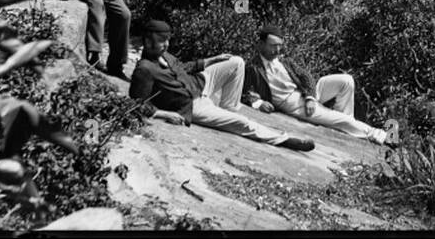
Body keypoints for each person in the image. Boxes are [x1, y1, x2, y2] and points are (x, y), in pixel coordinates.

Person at [129, 20, 314, 152]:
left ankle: (230, 108)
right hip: (191, 105)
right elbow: (137, 104)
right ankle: (283, 139)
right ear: (147, 41)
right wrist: (165, 114)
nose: (166, 44)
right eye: (161, 40)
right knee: (242, 123)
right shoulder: (144, 69)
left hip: (199, 85)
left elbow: (184, 68)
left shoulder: (165, 55)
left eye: (167, 40)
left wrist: (211, 60)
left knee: (236, 62)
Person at [243, 26, 398, 146]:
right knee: (342, 119)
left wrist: (310, 97)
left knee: (346, 80)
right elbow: (244, 91)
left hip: (305, 96)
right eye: (273, 46)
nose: (277, 50)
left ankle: (342, 124)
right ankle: (380, 136)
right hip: (292, 103)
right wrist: (259, 103)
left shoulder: (284, 61)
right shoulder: (253, 67)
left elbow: (306, 77)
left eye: (279, 46)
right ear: (261, 44)